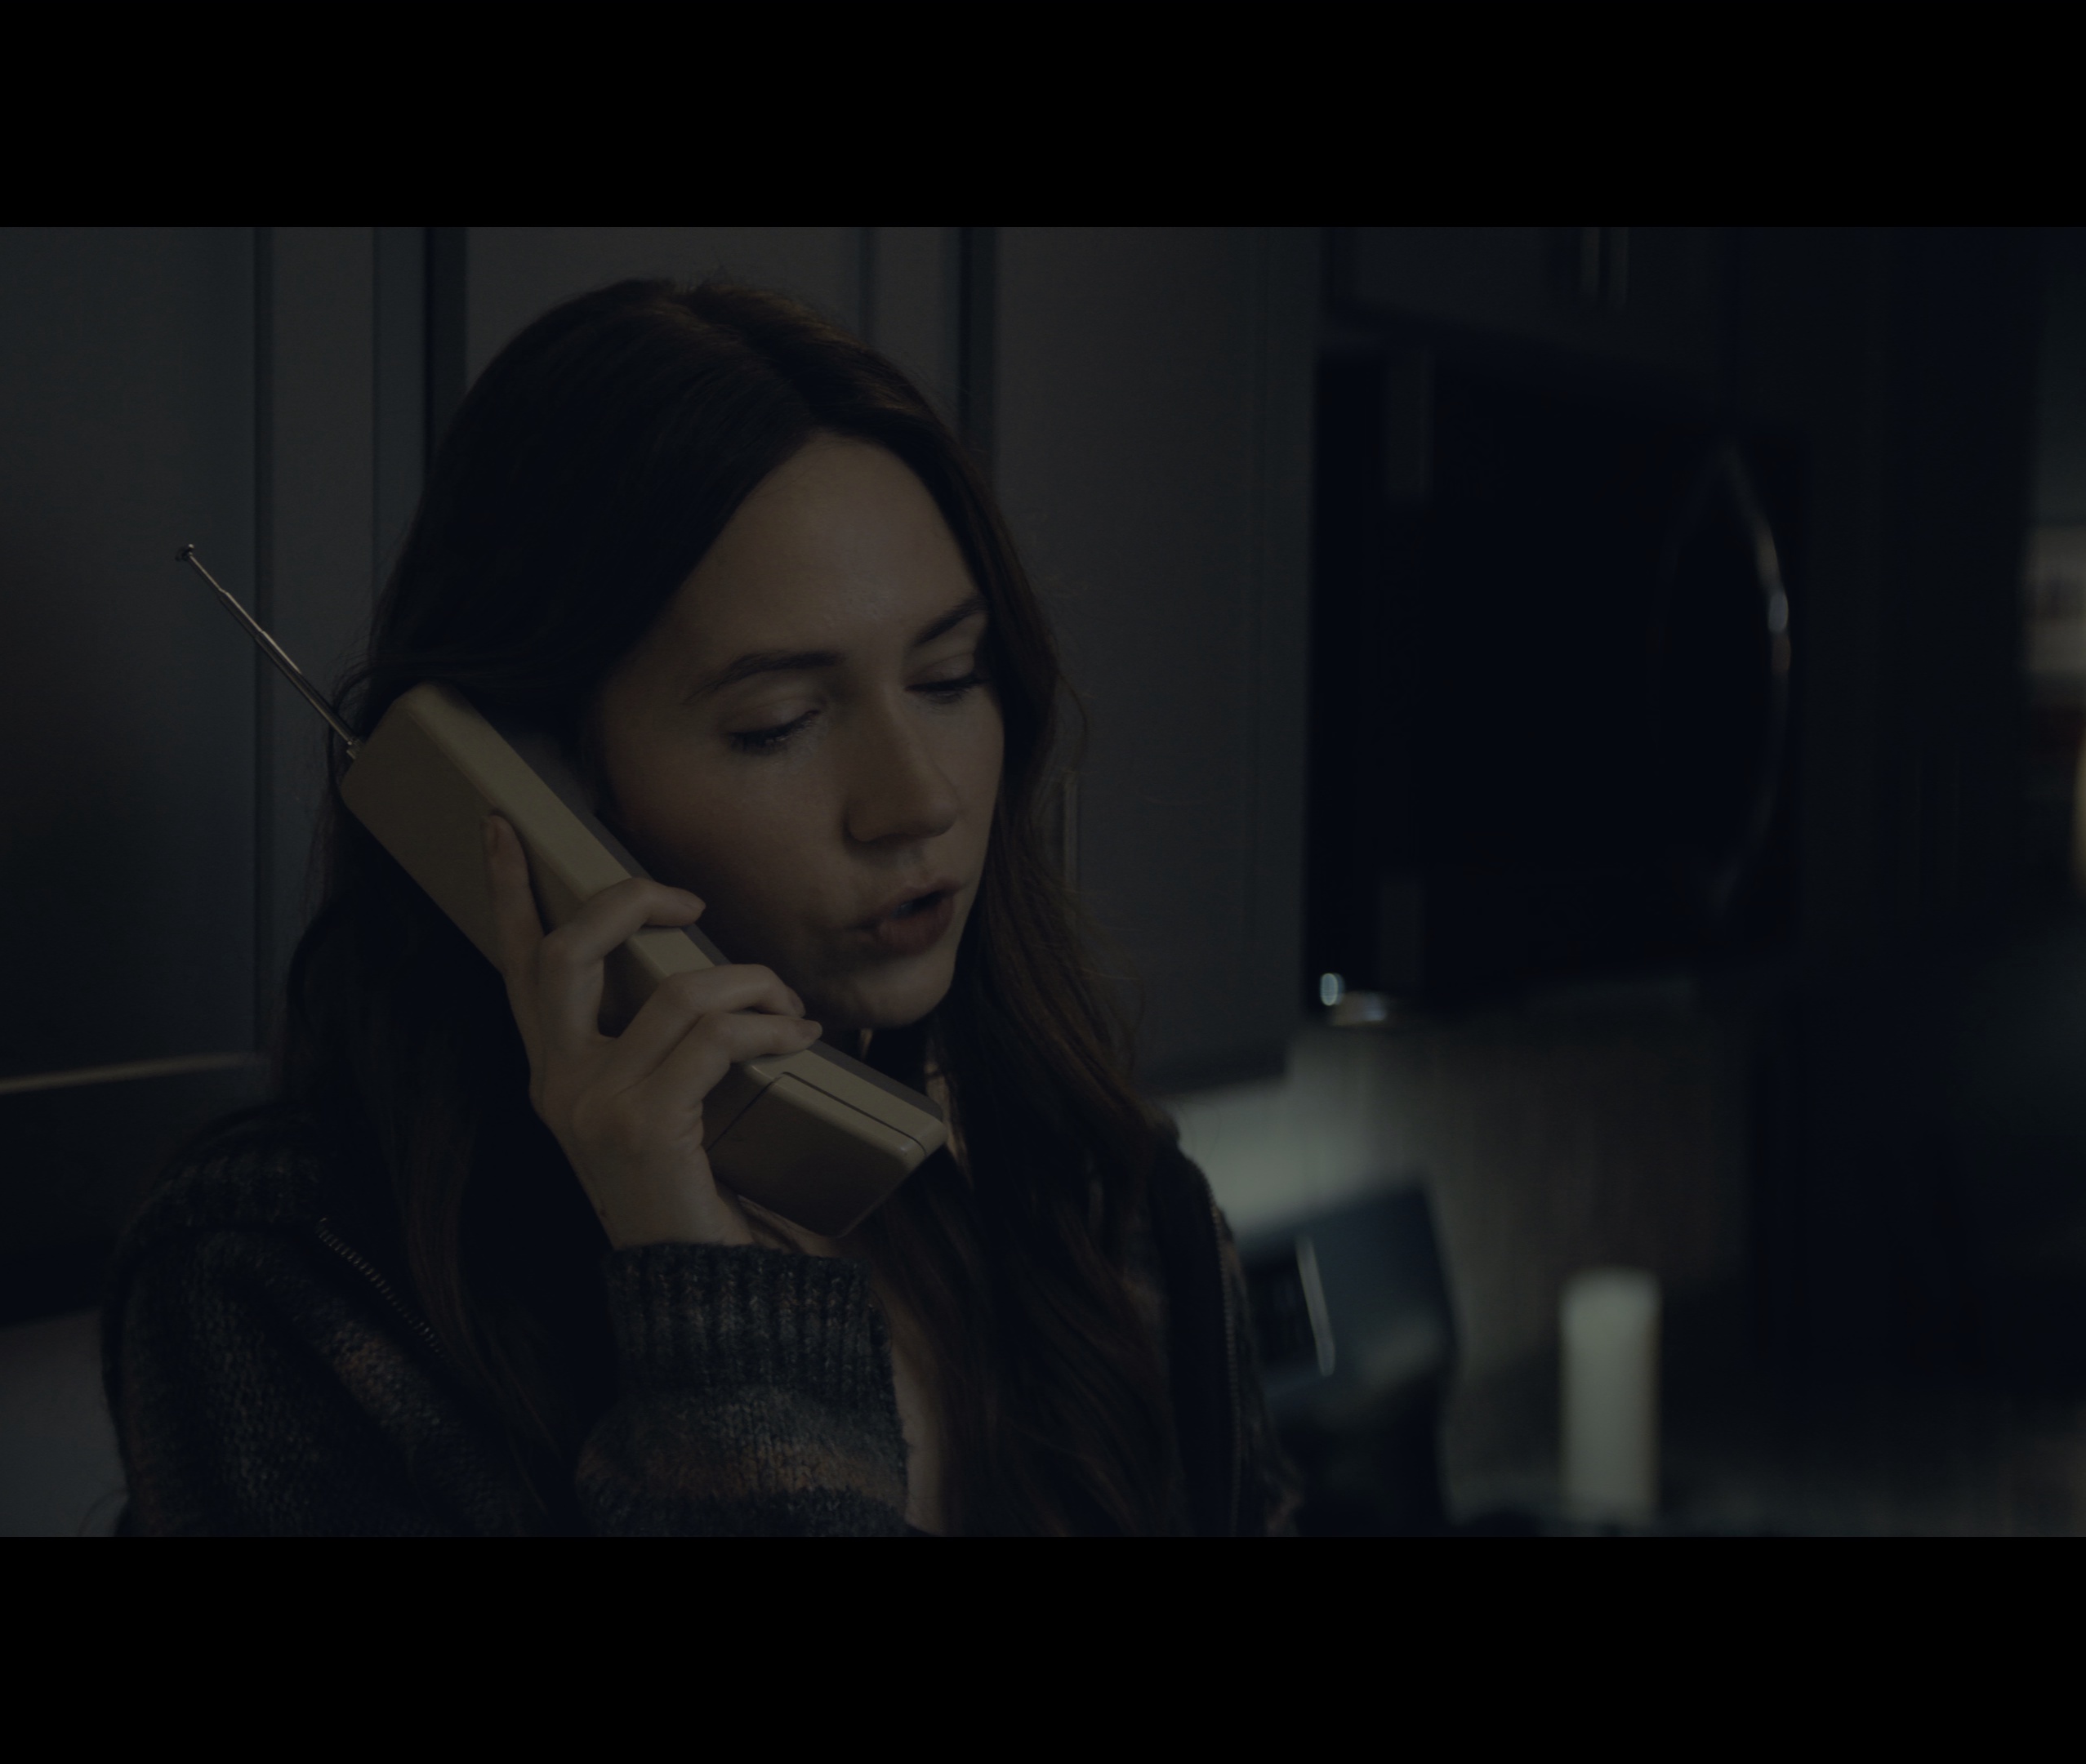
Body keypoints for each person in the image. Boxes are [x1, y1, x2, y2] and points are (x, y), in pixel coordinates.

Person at [104, 278, 1296, 1535]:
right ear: (537, 785)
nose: (920, 800)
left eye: (950, 677)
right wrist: (716, 1324)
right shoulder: (284, 1286)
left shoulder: (1114, 1208)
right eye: (777, 724)